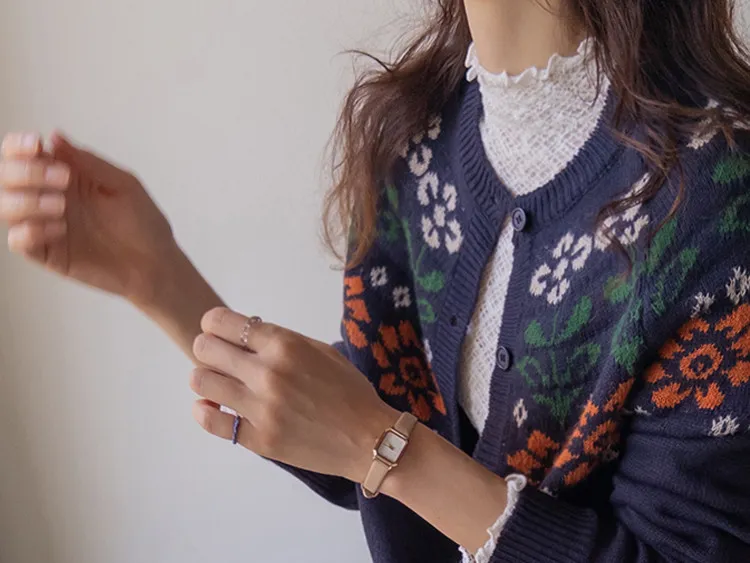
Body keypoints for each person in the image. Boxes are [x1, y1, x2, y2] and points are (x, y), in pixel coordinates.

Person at [2, 0, 750, 561]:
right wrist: (156, 277)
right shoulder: (410, 132)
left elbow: (378, 443)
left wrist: (381, 445)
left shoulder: (716, 195)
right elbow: (363, 436)